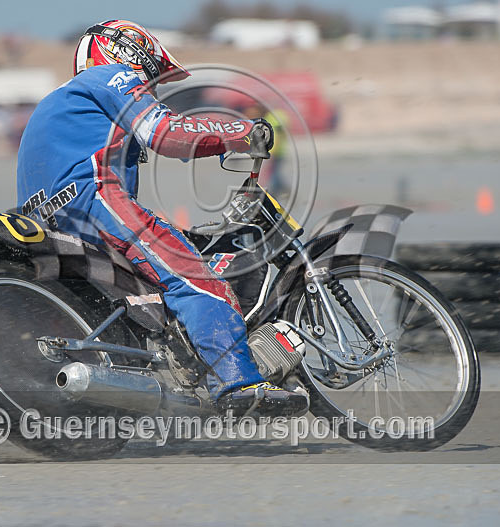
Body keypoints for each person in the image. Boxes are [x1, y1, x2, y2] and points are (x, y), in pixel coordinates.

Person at [17, 20, 306, 416]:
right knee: (199, 279)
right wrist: (240, 132)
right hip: (93, 198)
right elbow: (165, 131)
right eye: (152, 79)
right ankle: (242, 384)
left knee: (171, 257)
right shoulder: (110, 76)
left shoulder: (61, 102)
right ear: (129, 53)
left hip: (50, 218)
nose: (150, 91)